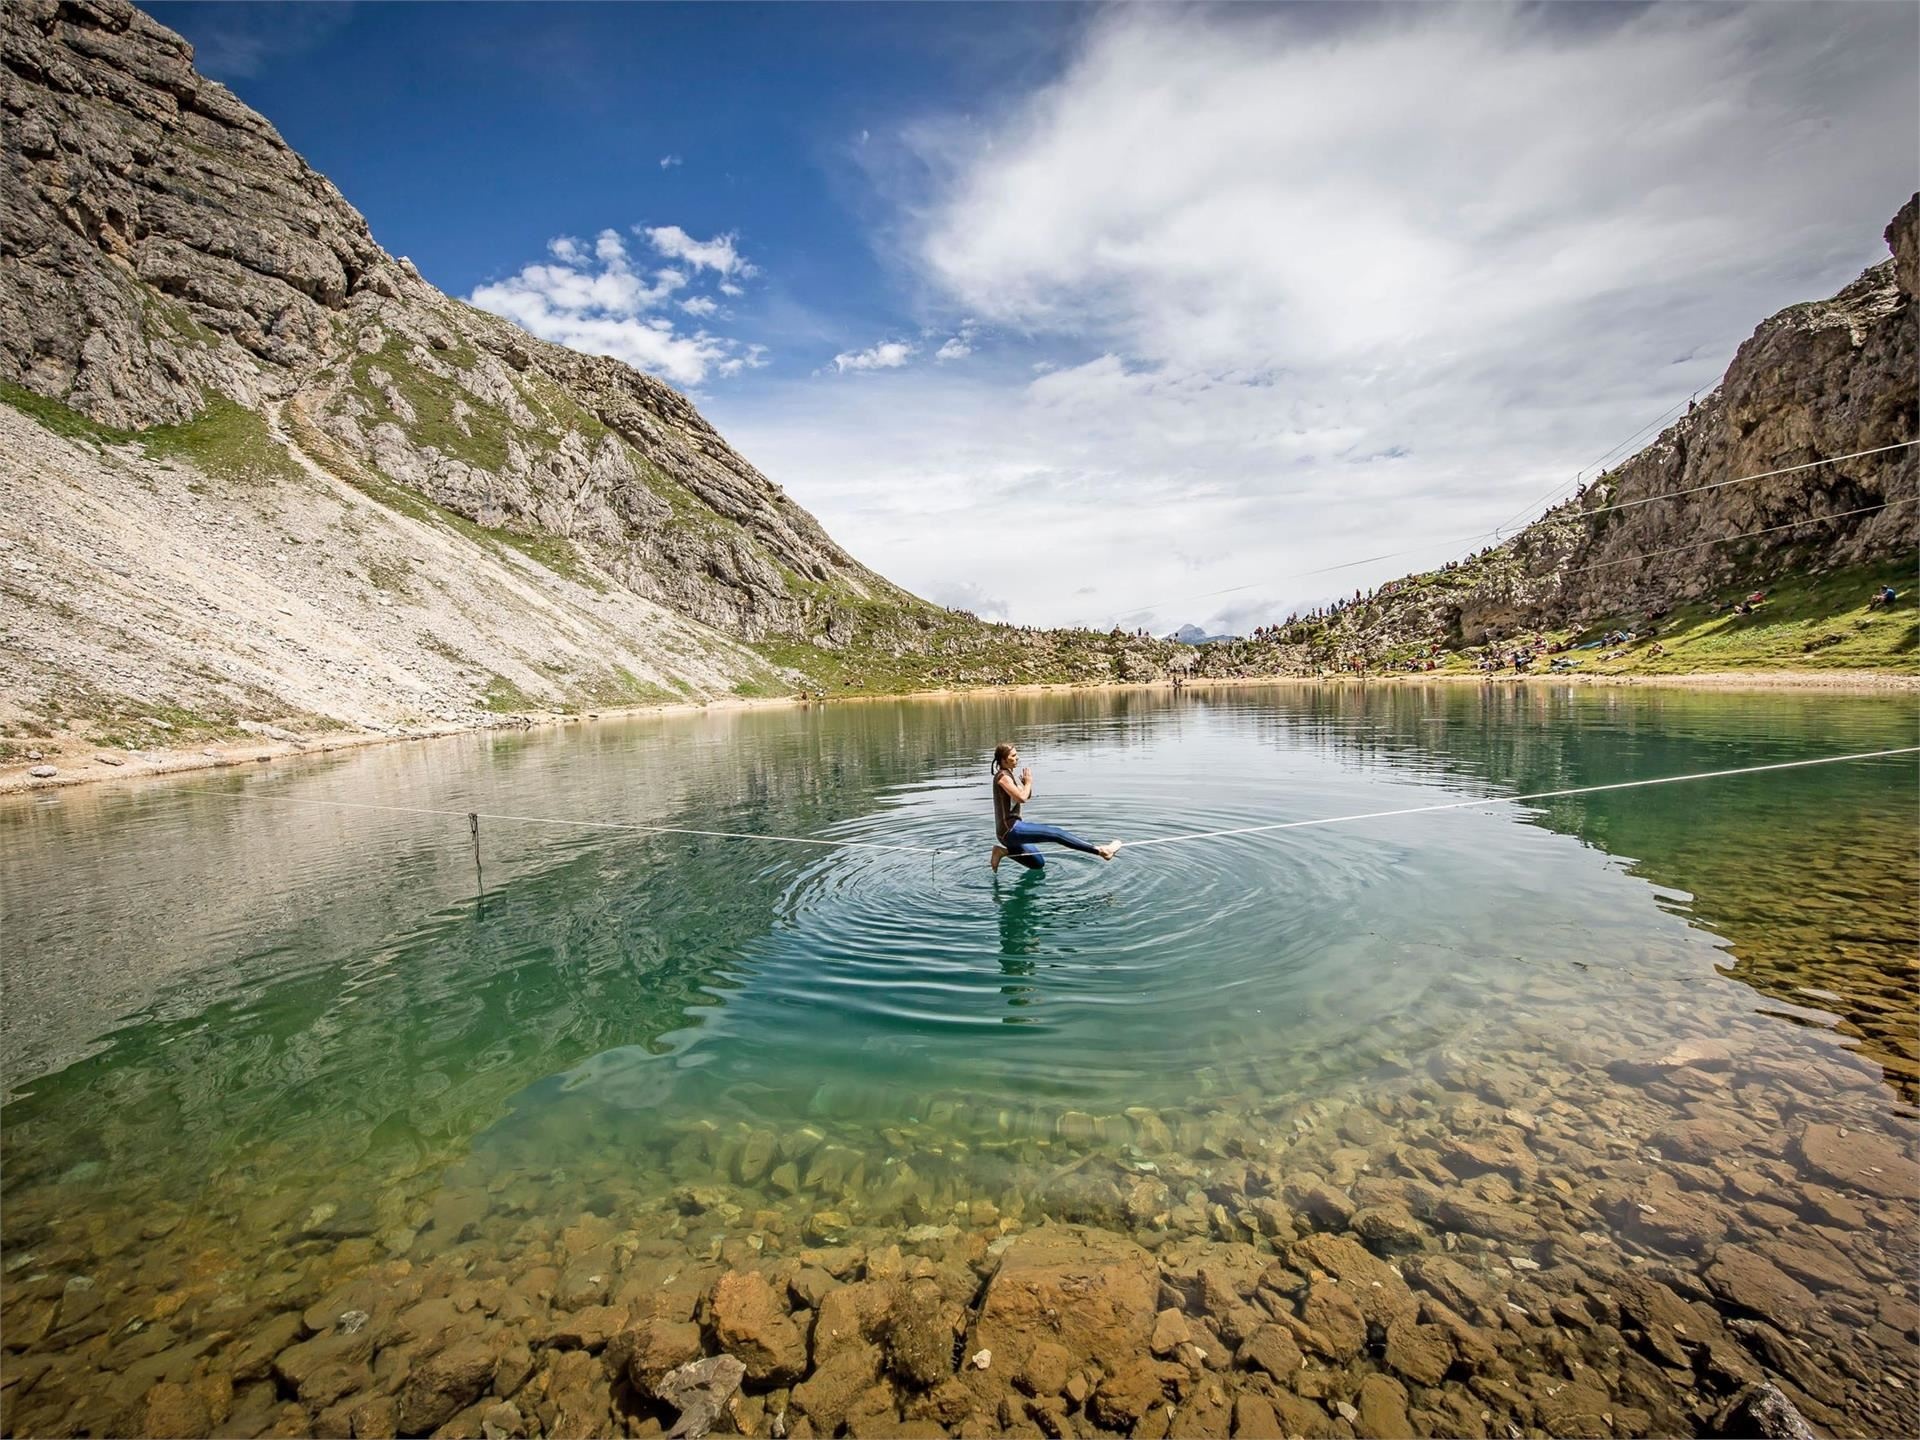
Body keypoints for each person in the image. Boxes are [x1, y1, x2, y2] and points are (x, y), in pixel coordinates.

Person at [989, 742, 1121, 872]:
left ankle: (1001, 852)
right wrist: (1028, 783)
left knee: (1037, 863)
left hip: (1012, 830)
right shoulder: (1003, 777)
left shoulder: (1008, 775)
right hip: (1010, 830)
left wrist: (1026, 785)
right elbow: (1021, 798)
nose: (1017, 758)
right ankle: (1102, 851)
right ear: (1004, 760)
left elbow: (1026, 795)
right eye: (1013, 755)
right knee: (1056, 834)